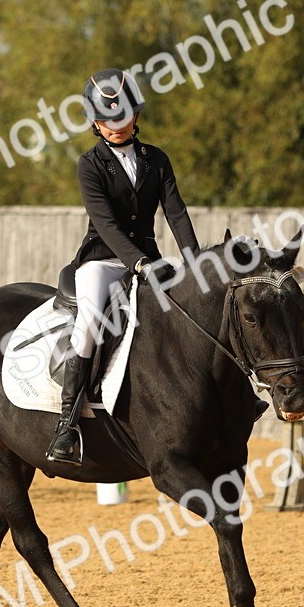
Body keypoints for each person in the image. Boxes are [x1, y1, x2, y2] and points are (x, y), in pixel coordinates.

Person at [46, 68, 201, 466]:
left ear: (136, 115)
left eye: (122, 117)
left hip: (148, 259)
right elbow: (106, 224)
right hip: (102, 260)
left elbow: (176, 212)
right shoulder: (90, 164)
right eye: (106, 119)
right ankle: (67, 424)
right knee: (89, 322)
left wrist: (194, 261)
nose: (115, 126)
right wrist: (140, 264)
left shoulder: (156, 159)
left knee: (192, 309)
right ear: (94, 122)